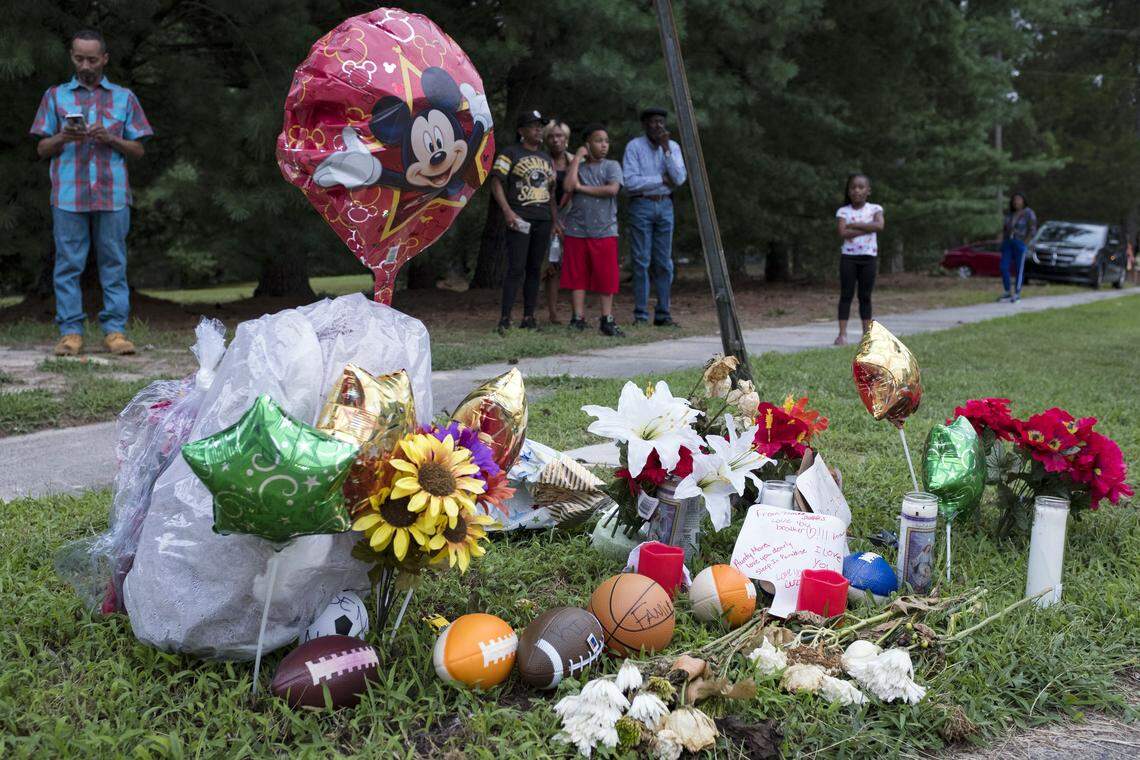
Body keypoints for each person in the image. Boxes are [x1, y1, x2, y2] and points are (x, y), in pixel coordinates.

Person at [30, 29, 152, 357]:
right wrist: (63, 137)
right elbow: (41, 147)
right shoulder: (54, 96)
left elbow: (138, 149)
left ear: (105, 59)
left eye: (92, 59)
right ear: (72, 57)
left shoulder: (124, 97)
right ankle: (70, 332)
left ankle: (115, 332)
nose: (86, 65)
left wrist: (112, 138)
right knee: (68, 265)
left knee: (113, 263)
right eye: (79, 58)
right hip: (68, 196)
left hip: (112, 195)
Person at [490, 109, 559, 334]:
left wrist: (555, 221)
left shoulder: (547, 158)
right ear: (521, 130)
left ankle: (529, 317)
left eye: (541, 125)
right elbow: (496, 182)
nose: (539, 129)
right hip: (520, 217)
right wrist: (508, 212)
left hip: (543, 219)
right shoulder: (510, 153)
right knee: (515, 268)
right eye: (533, 125)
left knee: (534, 269)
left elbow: (551, 193)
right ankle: (505, 318)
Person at [623, 107, 687, 327]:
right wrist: (660, 178)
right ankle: (641, 314)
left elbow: (678, 178)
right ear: (645, 125)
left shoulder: (673, 147)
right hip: (641, 204)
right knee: (641, 260)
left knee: (664, 262)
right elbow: (630, 182)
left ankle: (663, 313)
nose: (658, 126)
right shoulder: (634, 147)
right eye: (653, 122)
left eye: (661, 121)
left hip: (665, 205)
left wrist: (666, 149)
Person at [560, 124, 624, 337]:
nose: (604, 145)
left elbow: (612, 189)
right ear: (587, 144)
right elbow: (568, 187)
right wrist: (577, 158)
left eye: (606, 141)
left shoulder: (612, 166)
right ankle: (577, 318)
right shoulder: (578, 166)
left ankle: (607, 319)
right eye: (598, 140)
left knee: (606, 277)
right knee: (576, 275)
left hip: (605, 230)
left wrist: (582, 189)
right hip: (577, 229)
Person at [834, 173, 884, 346]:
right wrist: (868, 228)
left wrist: (854, 225)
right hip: (849, 258)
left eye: (861, 187)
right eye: (853, 187)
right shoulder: (843, 211)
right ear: (848, 191)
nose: (857, 190)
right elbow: (842, 233)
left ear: (868, 190)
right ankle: (842, 335)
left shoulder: (875, 209)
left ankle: (866, 335)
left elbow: (879, 225)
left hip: (868, 258)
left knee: (865, 296)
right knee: (846, 295)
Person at [542, 120, 573, 324]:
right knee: (552, 267)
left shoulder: (574, 161)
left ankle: (575, 312)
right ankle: (553, 313)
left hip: (572, 219)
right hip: (547, 219)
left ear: (566, 139)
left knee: (573, 266)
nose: (556, 139)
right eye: (552, 136)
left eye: (560, 135)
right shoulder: (542, 160)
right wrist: (554, 222)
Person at [998, 192, 1037, 303]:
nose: (1017, 201)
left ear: (1023, 201)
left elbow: (1032, 230)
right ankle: (1007, 291)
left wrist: (1025, 243)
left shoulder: (1029, 213)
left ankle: (1017, 293)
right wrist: (1002, 239)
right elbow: (1005, 229)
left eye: (1019, 199)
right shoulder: (1010, 214)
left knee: (1019, 269)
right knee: (1003, 267)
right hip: (1008, 243)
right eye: (1015, 199)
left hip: (1020, 243)